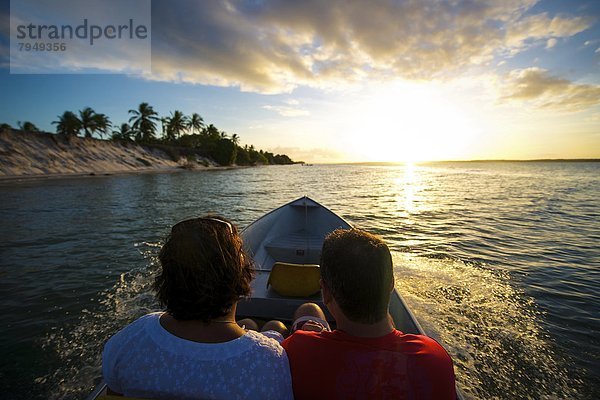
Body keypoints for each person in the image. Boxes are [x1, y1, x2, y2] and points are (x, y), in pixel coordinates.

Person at [102, 216, 293, 399]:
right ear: (241, 275)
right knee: (273, 327)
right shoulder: (267, 361)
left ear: (167, 278)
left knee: (253, 325)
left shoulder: (128, 342)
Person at [281, 228, 457, 399]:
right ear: (391, 285)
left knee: (307, 311)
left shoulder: (298, 349)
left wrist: (317, 339)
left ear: (325, 291)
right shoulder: (434, 359)